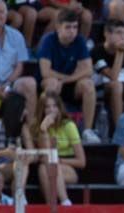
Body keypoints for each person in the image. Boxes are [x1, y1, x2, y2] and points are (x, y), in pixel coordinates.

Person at [37, 9, 97, 142]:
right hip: (48, 85)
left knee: (88, 84)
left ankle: (87, 131)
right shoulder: (48, 40)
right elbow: (45, 72)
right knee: (51, 82)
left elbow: (88, 70)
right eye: (68, 27)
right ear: (58, 27)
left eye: (75, 27)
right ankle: (50, 127)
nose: (72, 31)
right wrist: (63, 79)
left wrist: (64, 80)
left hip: (70, 85)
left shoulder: (80, 41)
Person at [31, 90, 82, 205]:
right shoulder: (38, 127)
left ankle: (64, 202)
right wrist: (43, 129)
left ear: (59, 108)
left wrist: (60, 160)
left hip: (69, 167)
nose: (51, 110)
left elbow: (81, 161)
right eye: (47, 107)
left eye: (54, 106)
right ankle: (52, 209)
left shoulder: (69, 125)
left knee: (52, 166)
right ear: (42, 110)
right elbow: (45, 156)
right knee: (43, 169)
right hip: (48, 165)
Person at [94, 19, 124, 138]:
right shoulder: (97, 51)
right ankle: (121, 129)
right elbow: (113, 77)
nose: (122, 37)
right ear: (107, 34)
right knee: (117, 85)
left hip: (121, 86)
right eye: (118, 33)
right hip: (103, 88)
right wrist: (120, 53)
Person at [0, 91, 32, 194]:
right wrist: (3, 153)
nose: (26, 112)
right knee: (20, 166)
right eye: (23, 108)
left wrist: (23, 156)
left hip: (14, 165)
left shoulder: (23, 127)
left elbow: (33, 154)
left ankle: (18, 195)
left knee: (21, 164)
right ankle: (19, 198)